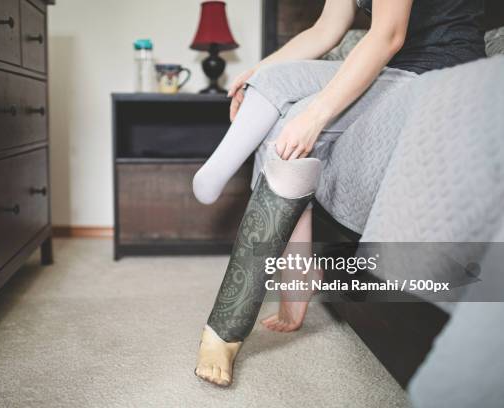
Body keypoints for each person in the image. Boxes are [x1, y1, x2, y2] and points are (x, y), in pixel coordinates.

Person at [194, 0, 486, 387]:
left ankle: (226, 326)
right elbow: (326, 29)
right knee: (273, 79)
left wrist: (314, 119)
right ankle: (290, 269)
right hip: (395, 67)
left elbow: (387, 35)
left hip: (444, 72)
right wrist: (254, 73)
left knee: (290, 127)